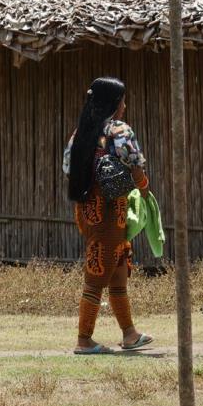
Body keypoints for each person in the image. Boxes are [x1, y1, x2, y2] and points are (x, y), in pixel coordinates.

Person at [63, 77, 155, 355]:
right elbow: (134, 164)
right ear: (113, 103)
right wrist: (145, 189)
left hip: (88, 209)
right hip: (110, 212)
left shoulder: (81, 133)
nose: (124, 106)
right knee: (97, 274)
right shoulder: (119, 130)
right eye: (122, 100)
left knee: (116, 272)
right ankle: (84, 340)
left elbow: (69, 168)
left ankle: (129, 334)